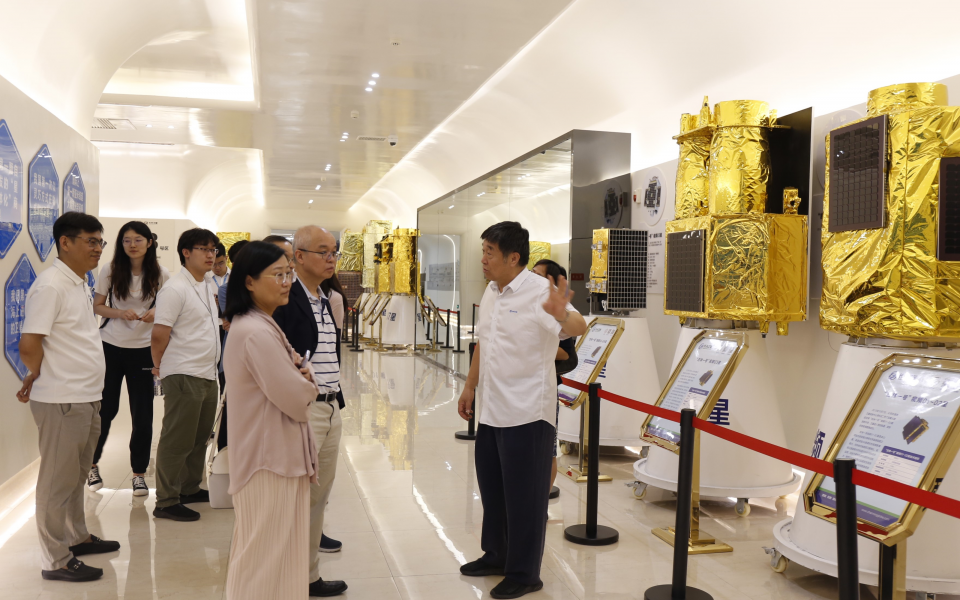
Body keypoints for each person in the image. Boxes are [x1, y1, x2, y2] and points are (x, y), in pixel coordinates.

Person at [457, 221, 586, 599]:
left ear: (513, 257)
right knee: (494, 491)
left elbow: (576, 325)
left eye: (489, 253)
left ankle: (525, 572)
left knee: (525, 498)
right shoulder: (493, 290)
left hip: (528, 413)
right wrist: (469, 385)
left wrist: (562, 313)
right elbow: (485, 341)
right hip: (493, 410)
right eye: (483, 251)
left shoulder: (538, 291)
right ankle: (496, 554)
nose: (483, 259)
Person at [18, 212, 121, 582]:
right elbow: (29, 343)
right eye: (91, 241)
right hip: (63, 399)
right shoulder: (51, 286)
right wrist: (40, 374)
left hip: (86, 396)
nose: (98, 249)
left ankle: (76, 536)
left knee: (77, 475)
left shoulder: (77, 282)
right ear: (66, 242)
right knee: (56, 482)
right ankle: (55, 559)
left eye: (99, 242)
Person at [222, 241, 320, 600]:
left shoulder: (261, 324)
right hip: (269, 461)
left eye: (288, 273)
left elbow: (299, 372)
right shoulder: (255, 332)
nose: (286, 282)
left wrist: (302, 376)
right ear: (249, 282)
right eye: (278, 275)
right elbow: (297, 397)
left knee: (279, 557)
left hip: (278, 456)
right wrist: (306, 381)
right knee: (263, 559)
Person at [273, 225, 347, 597]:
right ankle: (288, 577)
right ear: (299, 256)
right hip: (304, 410)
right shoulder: (286, 297)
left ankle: (307, 575)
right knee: (296, 497)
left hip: (331, 406)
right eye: (323, 251)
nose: (331, 258)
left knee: (319, 495)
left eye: (334, 251)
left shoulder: (325, 296)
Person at [89, 221, 171, 497]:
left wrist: (155, 312)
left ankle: (138, 474)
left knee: (143, 413)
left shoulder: (161, 274)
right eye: (126, 240)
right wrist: (118, 313)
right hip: (110, 346)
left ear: (149, 243)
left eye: (138, 239)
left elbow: (172, 307)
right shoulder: (110, 270)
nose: (132, 244)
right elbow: (97, 305)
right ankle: (92, 465)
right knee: (105, 410)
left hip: (143, 350)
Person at [150, 228, 222, 522]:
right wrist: (159, 367)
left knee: (200, 436)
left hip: (207, 372)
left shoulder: (208, 285)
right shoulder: (174, 288)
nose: (210, 255)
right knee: (177, 438)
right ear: (186, 253)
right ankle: (166, 500)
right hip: (183, 372)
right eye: (203, 249)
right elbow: (159, 334)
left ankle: (189, 488)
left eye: (213, 250)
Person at [532, 259, 578, 500]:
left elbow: (567, 354)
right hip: (521, 391)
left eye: (539, 275)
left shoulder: (560, 311)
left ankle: (541, 501)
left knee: (547, 450)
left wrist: (536, 345)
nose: (532, 278)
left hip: (545, 390)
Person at [216, 239, 250, 451]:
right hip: (232, 358)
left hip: (257, 357)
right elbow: (237, 321)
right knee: (229, 410)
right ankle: (223, 457)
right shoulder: (226, 290)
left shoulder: (267, 286)